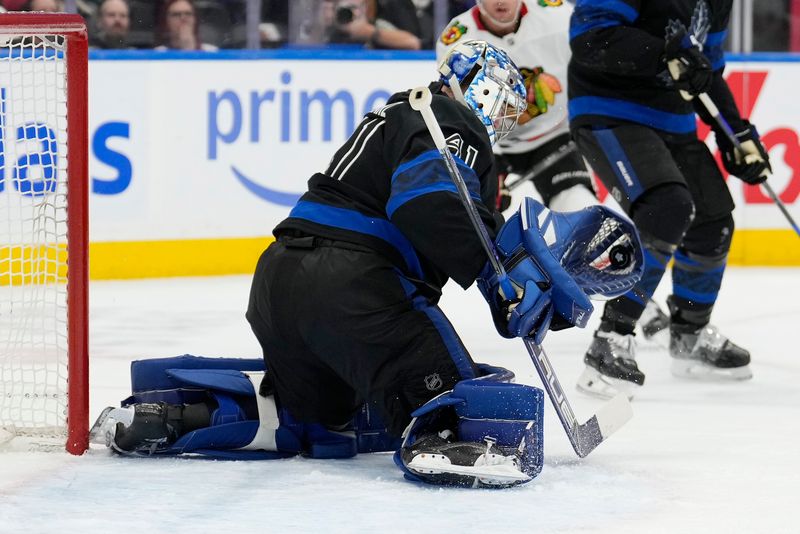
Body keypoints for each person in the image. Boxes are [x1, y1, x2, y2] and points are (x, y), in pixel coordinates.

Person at [90, 40, 629, 488]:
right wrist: (495, 275)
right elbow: (427, 203)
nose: (503, 124)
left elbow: (434, 206)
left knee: (318, 426)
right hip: (355, 288)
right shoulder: (449, 116)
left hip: (281, 285)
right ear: (480, 87)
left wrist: (499, 269)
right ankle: (443, 432)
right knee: (463, 410)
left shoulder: (404, 115)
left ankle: (166, 417)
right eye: (504, 107)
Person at [568, 0, 772, 399]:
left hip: (672, 119)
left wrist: (736, 133)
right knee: (666, 208)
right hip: (609, 110)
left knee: (713, 221)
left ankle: (690, 336)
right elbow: (590, 38)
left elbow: (704, 70)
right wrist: (664, 53)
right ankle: (611, 338)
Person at [437, 0, 598, 215]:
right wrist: (485, 161)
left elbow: (591, 72)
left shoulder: (559, 16)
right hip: (490, 143)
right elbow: (458, 109)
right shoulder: (457, 40)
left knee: (578, 206)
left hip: (554, 135)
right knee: (472, 211)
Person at [325, 0, 422, 50]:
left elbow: (413, 43)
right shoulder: (333, 29)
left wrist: (369, 32)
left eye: (354, 7)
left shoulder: (390, 9)